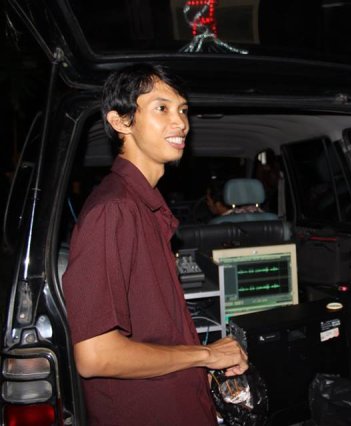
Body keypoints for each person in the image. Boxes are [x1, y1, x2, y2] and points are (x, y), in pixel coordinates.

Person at [62, 64, 248, 425]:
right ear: (121, 121)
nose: (181, 122)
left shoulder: (142, 206)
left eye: (183, 110)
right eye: (162, 108)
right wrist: (206, 356)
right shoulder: (114, 210)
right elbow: (96, 355)